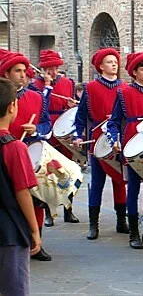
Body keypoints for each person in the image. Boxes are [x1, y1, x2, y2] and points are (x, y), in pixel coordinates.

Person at [0, 50, 52, 262]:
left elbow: (47, 125)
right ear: (6, 73)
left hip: (30, 152)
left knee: (37, 199)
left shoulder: (36, 97)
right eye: (18, 71)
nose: (23, 75)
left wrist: (36, 129)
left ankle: (36, 242)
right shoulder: (4, 97)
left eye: (25, 71)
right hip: (8, 150)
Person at [106, 52, 143, 249]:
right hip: (131, 142)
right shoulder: (123, 93)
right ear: (134, 72)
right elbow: (113, 122)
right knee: (134, 189)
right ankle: (133, 233)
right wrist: (114, 139)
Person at [73, 48, 129, 240]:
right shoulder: (90, 88)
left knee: (120, 181)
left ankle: (122, 221)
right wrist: (77, 135)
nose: (114, 64)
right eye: (109, 62)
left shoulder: (124, 88)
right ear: (100, 66)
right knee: (96, 182)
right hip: (97, 140)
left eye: (115, 61)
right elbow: (80, 116)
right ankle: (93, 225)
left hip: (119, 139)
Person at [0, 78, 42, 296]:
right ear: (12, 107)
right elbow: (23, 192)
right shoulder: (15, 147)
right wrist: (34, 230)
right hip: (10, 231)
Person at [33, 50, 79, 226]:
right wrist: (46, 86)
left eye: (55, 68)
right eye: (49, 68)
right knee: (46, 173)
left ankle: (69, 209)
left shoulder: (68, 83)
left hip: (62, 126)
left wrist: (71, 104)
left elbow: (73, 106)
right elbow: (39, 105)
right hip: (47, 128)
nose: (53, 72)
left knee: (66, 171)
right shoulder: (36, 85)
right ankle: (48, 213)